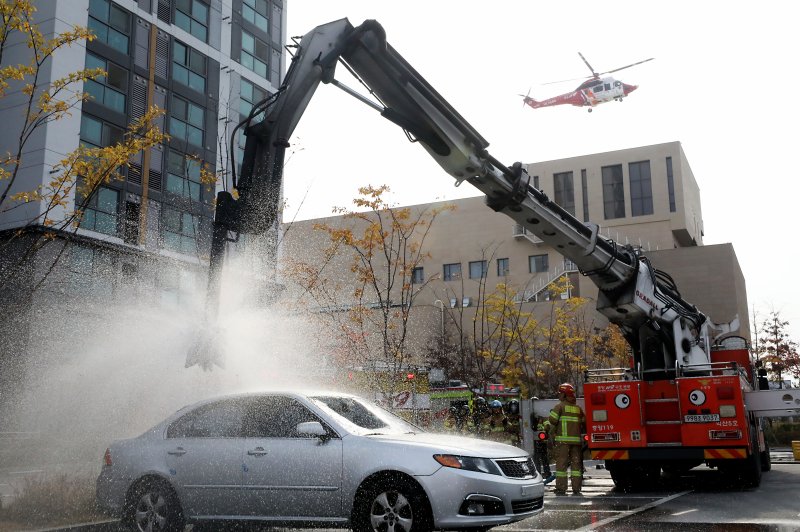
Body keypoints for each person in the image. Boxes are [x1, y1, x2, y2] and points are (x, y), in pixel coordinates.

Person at [548, 383, 585, 495]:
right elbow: (584, 422)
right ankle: (576, 488)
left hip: (563, 441)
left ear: (564, 395)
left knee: (561, 466)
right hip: (576, 442)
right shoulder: (578, 409)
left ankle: (561, 488)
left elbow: (552, 420)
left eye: (560, 394)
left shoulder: (559, 406)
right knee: (576, 465)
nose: (559, 396)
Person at [535, 416, 555, 484]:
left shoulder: (545, 420)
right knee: (537, 460)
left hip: (542, 443)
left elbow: (547, 427)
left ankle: (547, 475)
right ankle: (539, 474)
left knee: (544, 460)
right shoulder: (535, 419)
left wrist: (541, 423)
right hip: (536, 443)